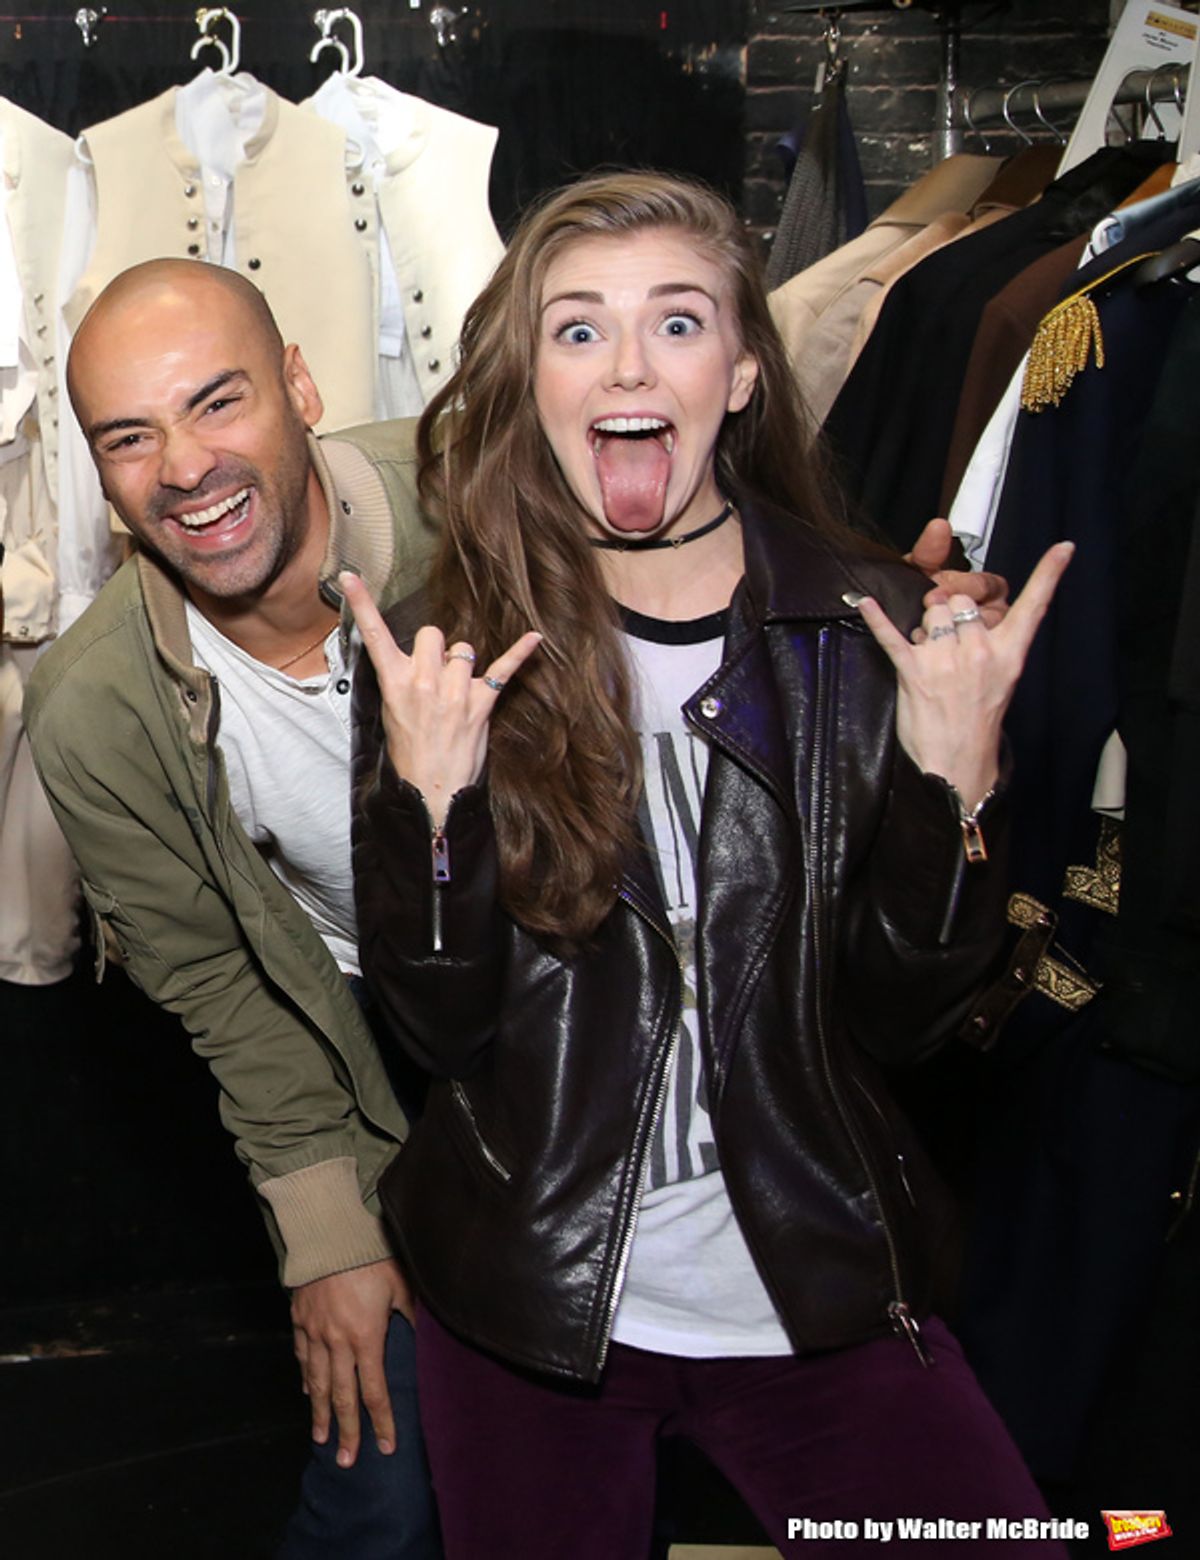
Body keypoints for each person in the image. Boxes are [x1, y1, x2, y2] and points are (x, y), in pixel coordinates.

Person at [346, 171, 1075, 1559]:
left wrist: (954, 791)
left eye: (676, 325)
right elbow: (440, 1030)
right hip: (530, 1301)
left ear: (741, 373)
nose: (627, 364)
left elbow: (908, 1024)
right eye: (577, 331)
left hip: (819, 1288)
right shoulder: (451, 658)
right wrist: (434, 810)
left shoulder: (880, 636)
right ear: (531, 383)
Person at [24, 259, 442, 1559]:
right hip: (367, 1048)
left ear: (303, 386)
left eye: (218, 403)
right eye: (131, 437)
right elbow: (222, 986)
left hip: (607, 1020)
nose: (187, 467)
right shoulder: (97, 712)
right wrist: (329, 1239)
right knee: (384, 1472)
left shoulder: (483, 506)